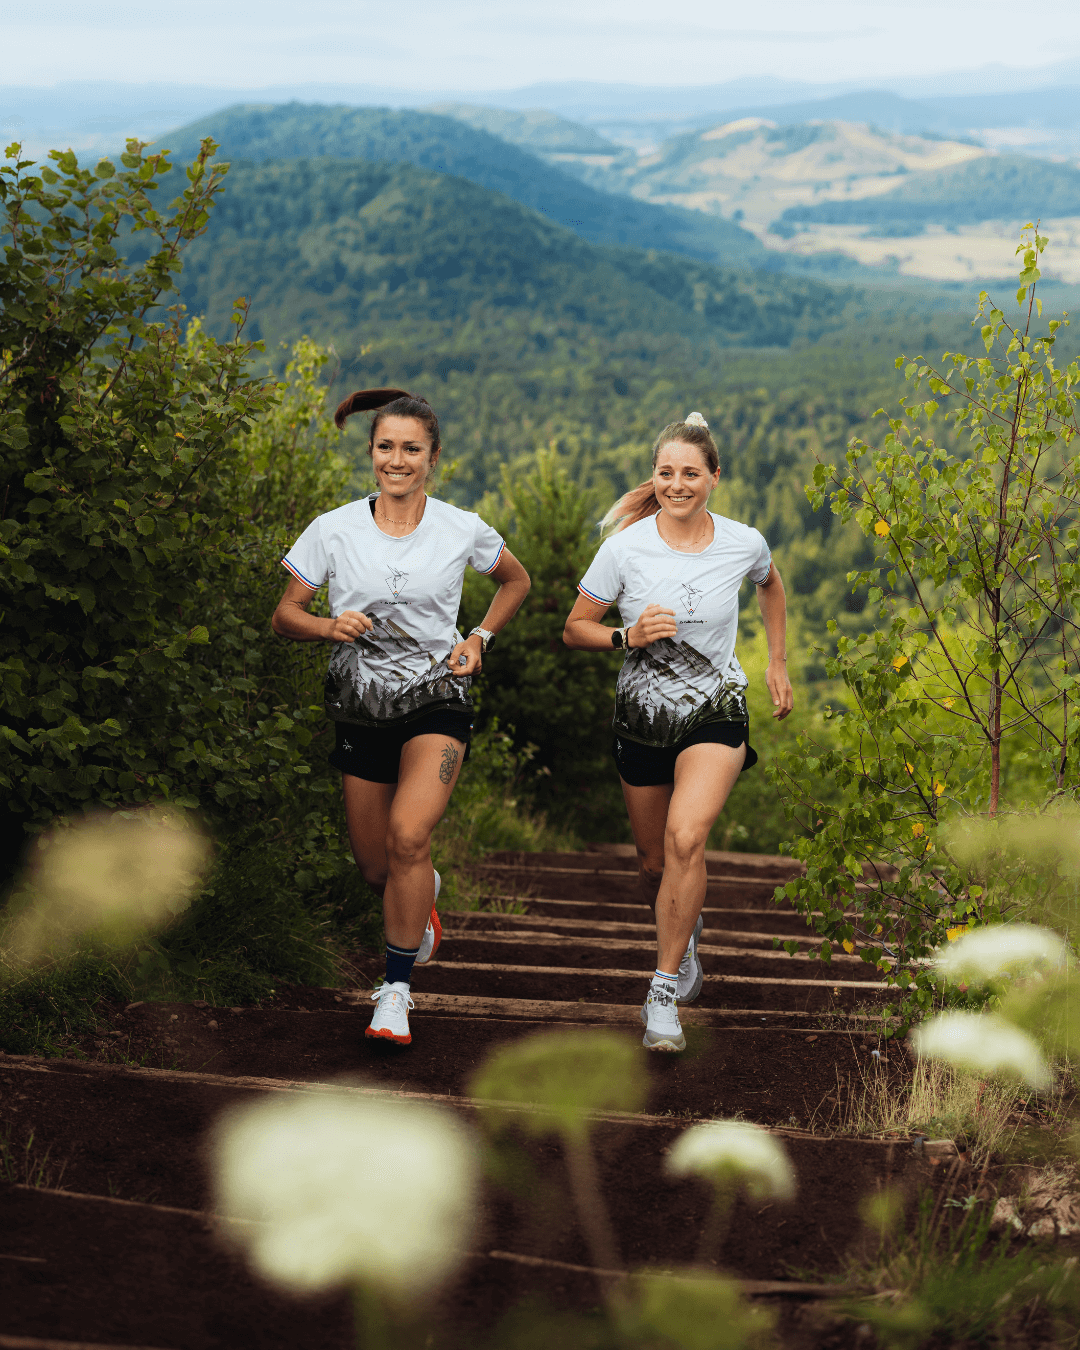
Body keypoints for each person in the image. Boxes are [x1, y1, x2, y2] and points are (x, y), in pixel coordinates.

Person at [272, 388, 531, 1046]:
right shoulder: (333, 528)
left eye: (411, 449)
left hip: (436, 700)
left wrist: (477, 640)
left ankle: (395, 992)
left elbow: (516, 581)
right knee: (377, 866)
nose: (397, 459)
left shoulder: (461, 528)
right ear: (371, 452)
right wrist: (329, 625)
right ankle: (424, 893)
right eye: (386, 446)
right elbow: (285, 616)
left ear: (432, 458)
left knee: (409, 836)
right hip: (360, 706)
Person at [562, 411, 793, 1053]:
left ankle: (662, 993)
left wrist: (775, 661)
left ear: (714, 477)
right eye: (666, 472)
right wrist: (623, 635)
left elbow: (771, 586)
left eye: (691, 473)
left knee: (687, 838)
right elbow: (573, 626)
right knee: (653, 862)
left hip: (716, 709)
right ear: (654, 478)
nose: (677, 483)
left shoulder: (744, 542)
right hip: (641, 717)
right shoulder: (625, 548)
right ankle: (682, 929)